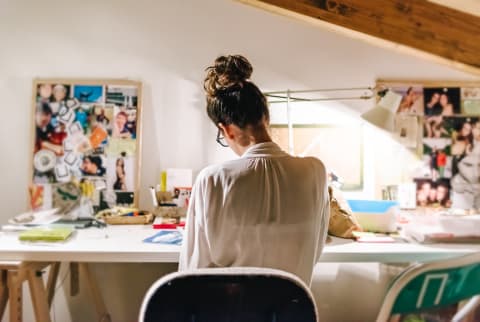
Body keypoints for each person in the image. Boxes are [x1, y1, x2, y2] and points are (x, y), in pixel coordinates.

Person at [178, 55, 330, 285]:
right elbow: (314, 252)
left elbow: (192, 273)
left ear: (226, 130)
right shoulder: (315, 172)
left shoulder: (213, 180)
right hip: (293, 311)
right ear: (266, 117)